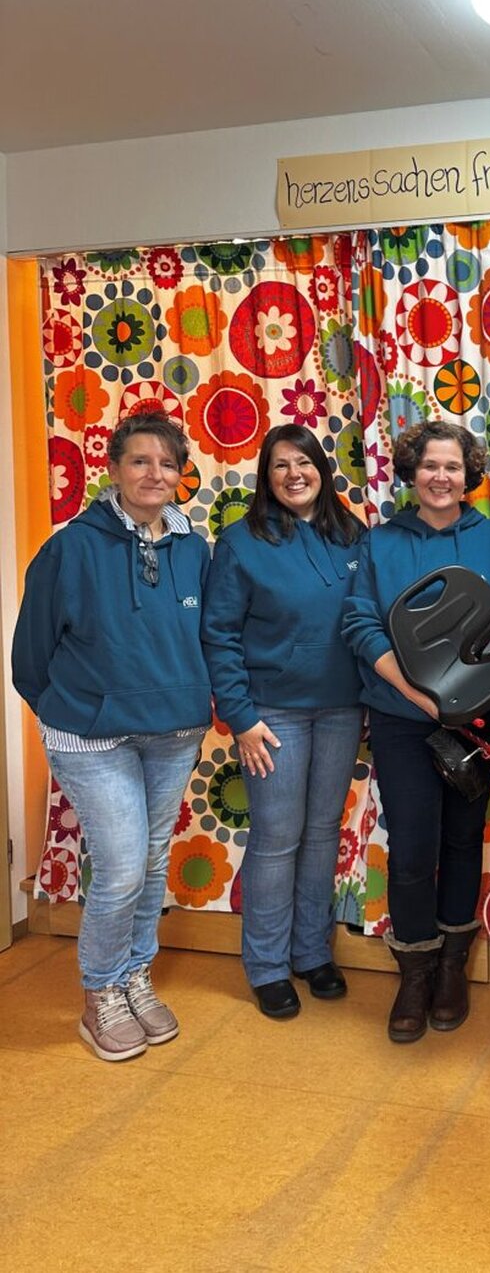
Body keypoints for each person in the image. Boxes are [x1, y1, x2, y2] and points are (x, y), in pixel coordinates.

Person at [12, 411, 211, 1062]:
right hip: (92, 739)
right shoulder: (71, 548)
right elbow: (30, 657)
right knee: (122, 867)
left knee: (150, 862)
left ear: (180, 474)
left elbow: (209, 636)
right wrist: (72, 710)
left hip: (174, 733)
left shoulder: (195, 549)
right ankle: (101, 990)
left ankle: (134, 975)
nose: (154, 474)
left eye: (166, 463)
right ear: (115, 468)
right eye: (140, 461)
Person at [342, 420, 490, 1043]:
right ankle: (415, 970)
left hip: (479, 719)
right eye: (429, 466)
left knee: (462, 839)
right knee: (414, 846)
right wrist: (416, 694)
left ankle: (453, 967)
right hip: (401, 718)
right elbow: (360, 623)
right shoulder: (381, 541)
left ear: (468, 473)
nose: (440, 477)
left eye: (452, 466)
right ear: (411, 473)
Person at [202, 424, 365, 1020]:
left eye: (304, 462)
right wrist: (240, 717)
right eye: (280, 465)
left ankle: (311, 952)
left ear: (322, 468)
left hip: (342, 709)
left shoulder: (353, 535)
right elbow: (218, 634)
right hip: (271, 717)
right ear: (266, 477)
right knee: (277, 839)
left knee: (322, 833)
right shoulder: (241, 543)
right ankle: (268, 966)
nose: (294, 474)